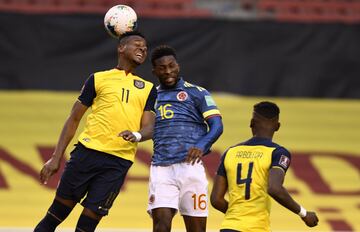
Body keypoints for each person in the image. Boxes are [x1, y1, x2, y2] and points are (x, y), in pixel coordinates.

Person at [34, 31, 157, 232]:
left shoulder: (148, 88)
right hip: (86, 155)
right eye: (137, 44)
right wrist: (56, 157)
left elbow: (149, 127)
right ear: (121, 48)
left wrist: (136, 135)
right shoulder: (98, 79)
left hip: (118, 163)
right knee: (54, 217)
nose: (143, 49)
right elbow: (74, 119)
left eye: (145, 47)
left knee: (87, 226)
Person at [147, 45, 224, 232]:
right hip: (161, 168)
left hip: (191, 168)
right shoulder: (150, 97)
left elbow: (217, 125)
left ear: (178, 65)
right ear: (154, 71)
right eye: (162, 68)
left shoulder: (198, 92)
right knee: (161, 226)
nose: (168, 71)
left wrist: (202, 145)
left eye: (171, 65)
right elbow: (145, 127)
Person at [210, 101, 319, 231]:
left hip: (229, 227)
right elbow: (274, 188)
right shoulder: (278, 153)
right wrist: (304, 213)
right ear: (277, 126)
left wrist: (237, 214)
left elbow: (216, 199)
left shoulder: (230, 152)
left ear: (251, 123)